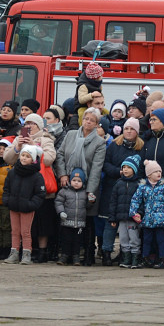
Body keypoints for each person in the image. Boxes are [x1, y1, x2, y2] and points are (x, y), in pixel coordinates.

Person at [56, 109, 107, 266]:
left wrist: (90, 191)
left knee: (87, 222)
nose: (88, 121)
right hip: (68, 186)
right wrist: (63, 175)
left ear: (97, 123)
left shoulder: (99, 143)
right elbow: (60, 155)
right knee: (65, 222)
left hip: (86, 187)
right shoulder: (70, 135)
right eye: (86, 118)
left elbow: (96, 169)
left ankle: (86, 254)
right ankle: (64, 254)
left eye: (92, 120)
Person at [1, 143, 45, 265]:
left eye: (28, 156)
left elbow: (40, 194)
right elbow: (6, 188)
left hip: (27, 208)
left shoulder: (37, 176)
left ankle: (26, 254)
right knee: (14, 231)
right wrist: (7, 200)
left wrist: (31, 205)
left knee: (25, 232)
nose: (24, 158)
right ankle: (14, 253)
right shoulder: (12, 172)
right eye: (23, 155)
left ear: (33, 159)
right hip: (14, 206)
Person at [130, 160, 164, 269]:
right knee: (146, 240)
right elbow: (135, 200)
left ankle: (163, 259)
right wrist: (134, 213)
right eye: (155, 171)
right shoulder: (143, 187)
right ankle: (145, 258)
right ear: (149, 174)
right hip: (148, 219)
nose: (158, 173)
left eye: (159, 171)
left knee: (161, 240)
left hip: (161, 220)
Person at [110, 155, 143, 269]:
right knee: (123, 238)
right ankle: (126, 257)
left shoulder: (139, 184)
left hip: (133, 218)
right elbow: (113, 201)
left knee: (134, 238)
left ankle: (135, 258)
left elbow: (142, 201)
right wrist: (113, 218)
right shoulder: (119, 183)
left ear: (134, 169)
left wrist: (140, 213)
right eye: (123, 167)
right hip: (121, 218)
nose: (125, 169)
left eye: (128, 167)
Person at [55, 168, 91, 266]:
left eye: (79, 181)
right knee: (66, 240)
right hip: (66, 221)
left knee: (77, 241)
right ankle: (64, 256)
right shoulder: (64, 191)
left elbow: (87, 206)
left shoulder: (85, 193)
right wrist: (61, 212)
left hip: (80, 222)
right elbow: (58, 202)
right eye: (74, 180)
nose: (76, 183)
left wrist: (91, 201)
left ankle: (76, 257)